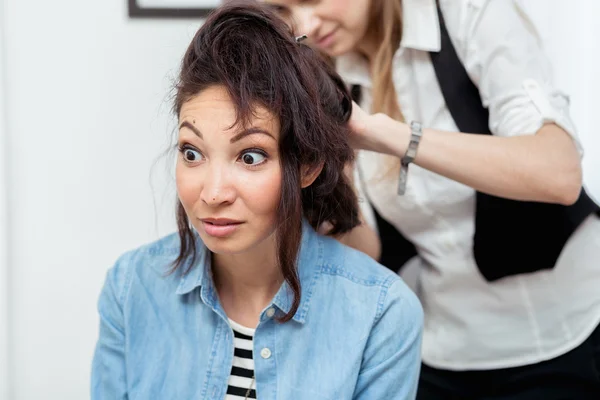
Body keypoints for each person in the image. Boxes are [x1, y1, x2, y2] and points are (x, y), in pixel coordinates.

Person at [262, 0, 600, 398]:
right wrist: (311, 189)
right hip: (439, 347)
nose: (306, 24)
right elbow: (368, 248)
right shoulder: (331, 73)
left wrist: (385, 134)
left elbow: (558, 173)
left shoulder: (470, 13)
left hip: (557, 336)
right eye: (284, 7)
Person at [91, 3, 423, 399]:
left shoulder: (381, 314)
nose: (213, 193)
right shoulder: (131, 288)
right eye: (192, 153)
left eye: (250, 157)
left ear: (308, 165)